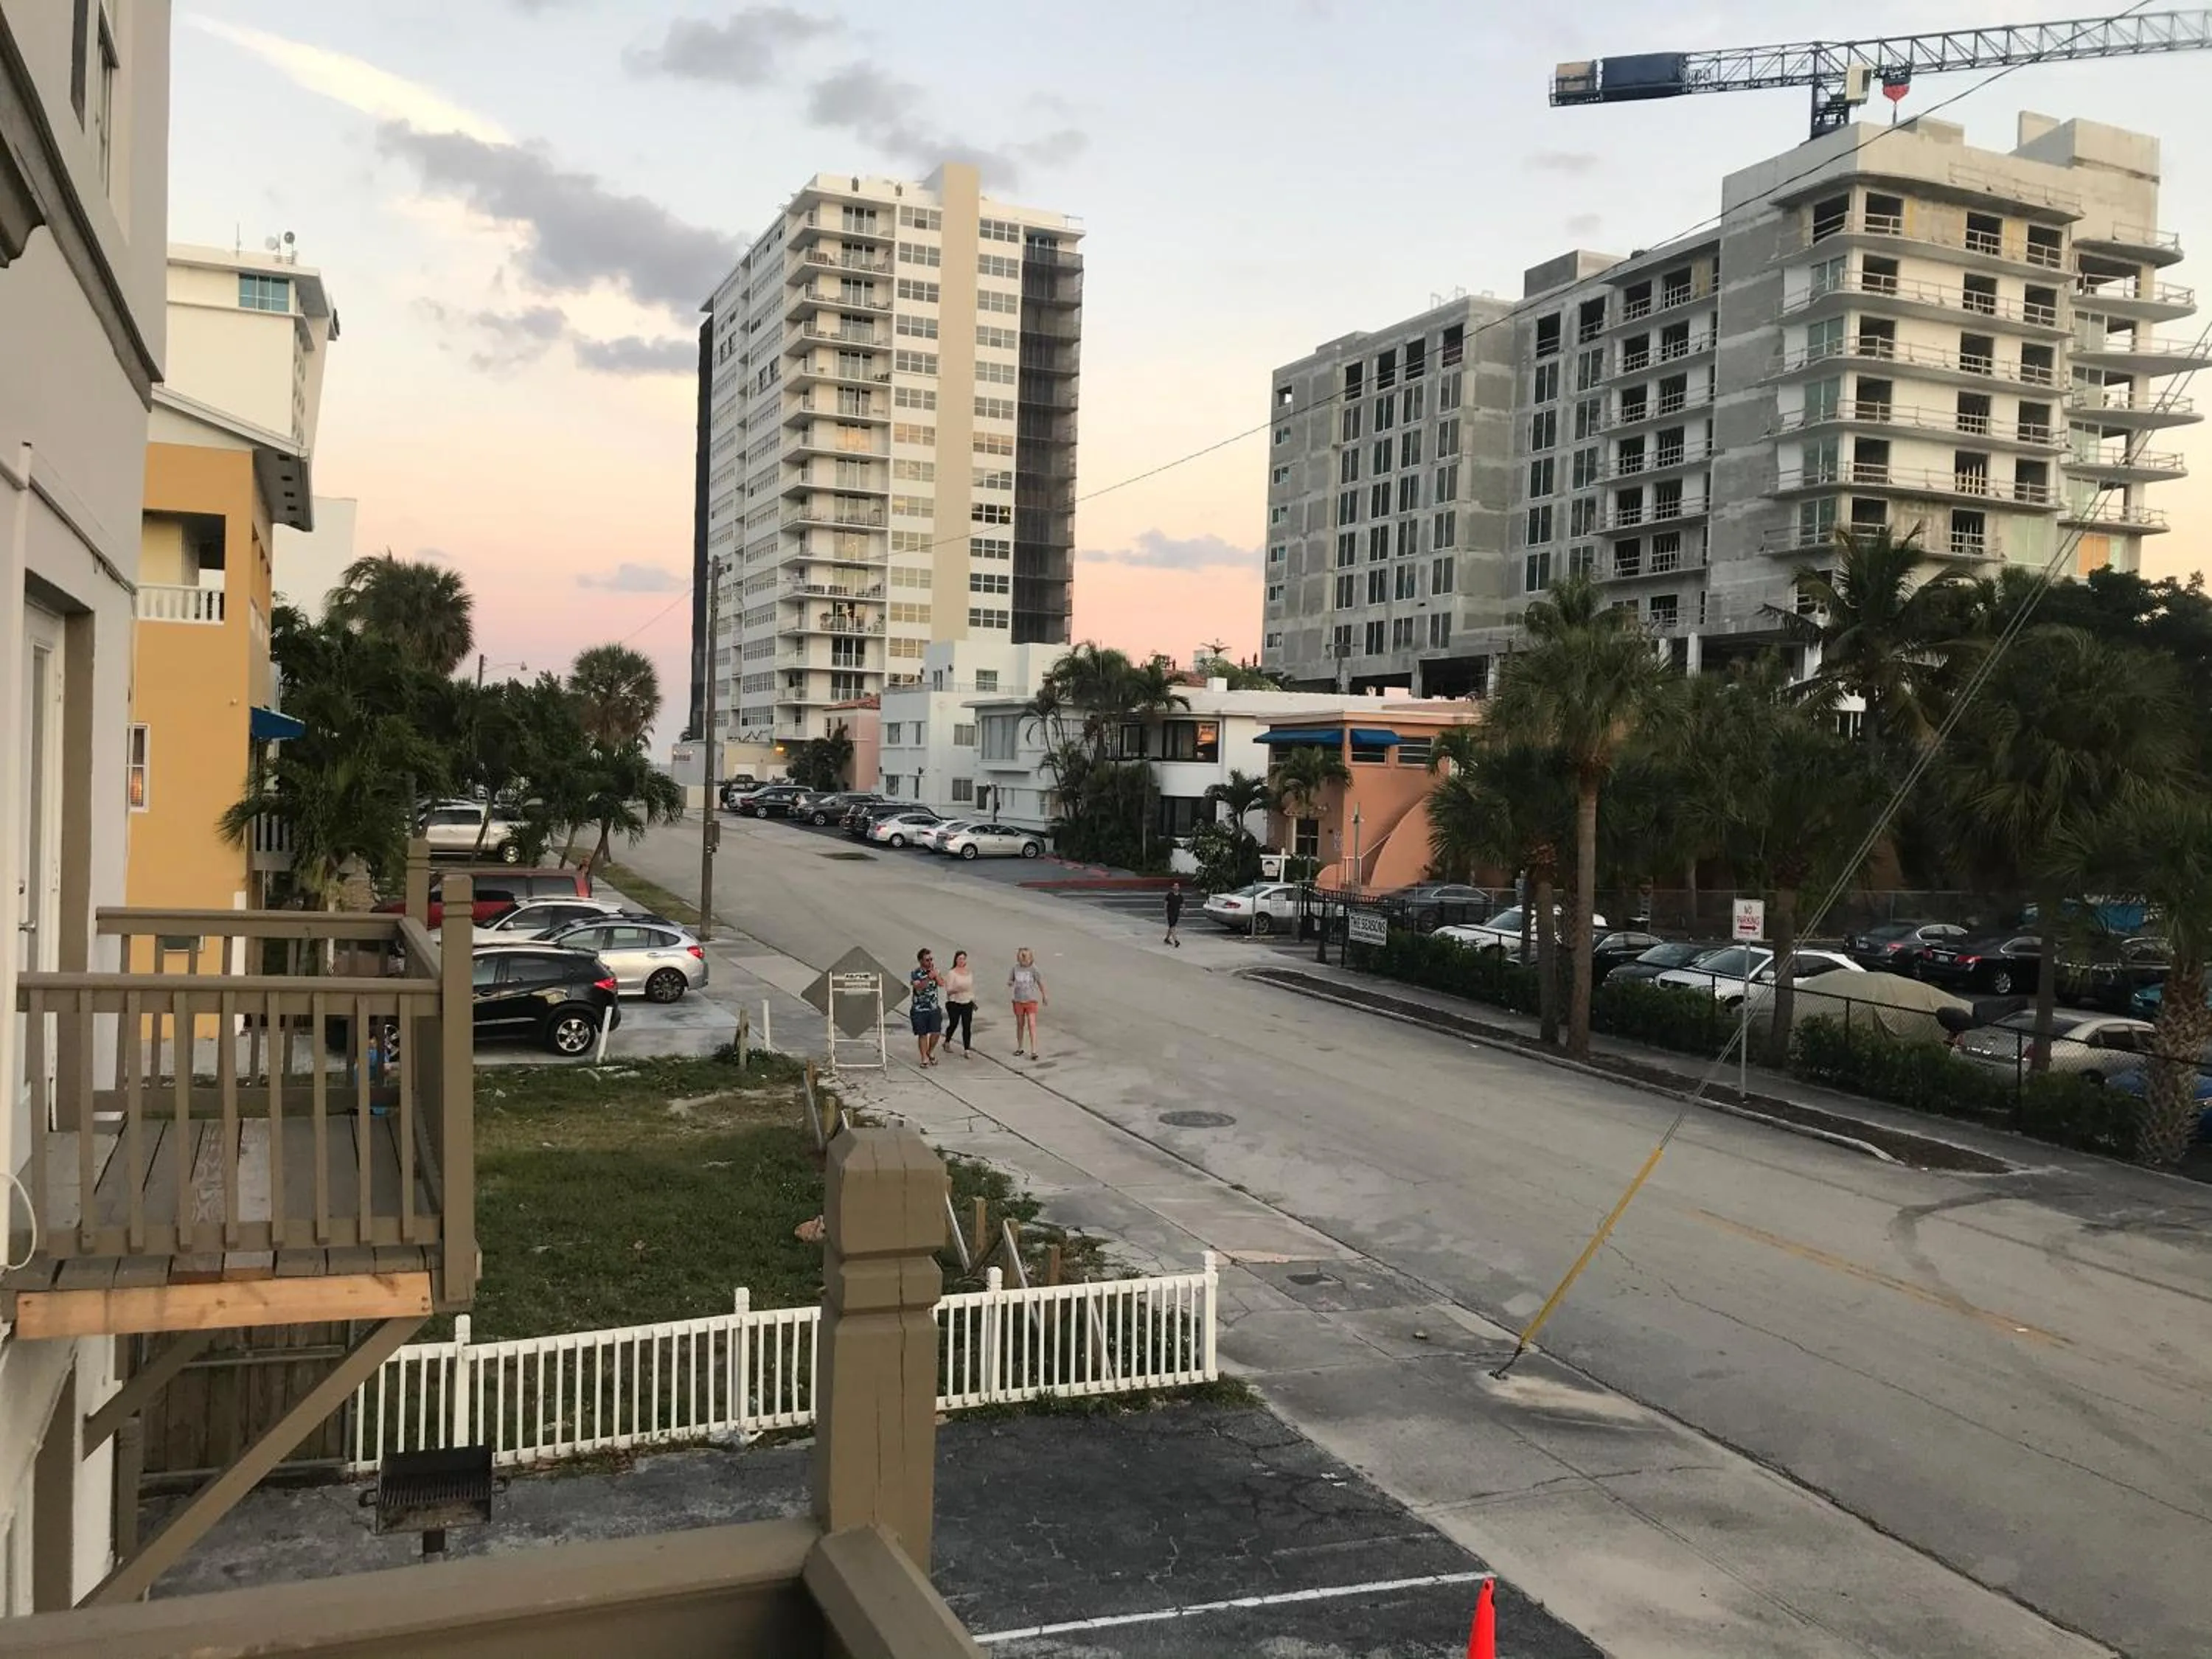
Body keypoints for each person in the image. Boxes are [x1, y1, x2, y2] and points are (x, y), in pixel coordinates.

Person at [1007, 947, 1048, 1060]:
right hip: (1018, 1000)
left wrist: (1044, 995)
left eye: (1025, 957)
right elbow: (1011, 980)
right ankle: (1020, 1047)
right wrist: (1010, 983)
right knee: (1020, 1024)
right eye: (1021, 957)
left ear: (1030, 958)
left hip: (1031, 1000)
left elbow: (1040, 983)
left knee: (1032, 1024)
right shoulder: (1015, 968)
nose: (1023, 960)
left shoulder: (1034, 969)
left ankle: (1034, 1050)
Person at [909, 947, 944, 1067]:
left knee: (936, 1032)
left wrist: (936, 975)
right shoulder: (916, 973)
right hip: (920, 1009)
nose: (930, 962)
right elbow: (919, 987)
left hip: (933, 1007)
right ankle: (924, 1057)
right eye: (927, 960)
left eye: (931, 959)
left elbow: (941, 984)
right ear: (921, 961)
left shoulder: (935, 971)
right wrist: (929, 977)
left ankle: (931, 1051)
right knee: (922, 1034)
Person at [942, 950, 977, 1057]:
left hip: (967, 1002)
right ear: (956, 960)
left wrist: (973, 1000)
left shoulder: (969, 973)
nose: (962, 961)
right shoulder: (952, 973)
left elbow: (970, 988)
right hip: (955, 1002)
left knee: (967, 1025)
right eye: (960, 959)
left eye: (963, 959)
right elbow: (948, 990)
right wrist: (957, 989)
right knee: (954, 1023)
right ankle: (947, 1041)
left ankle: (967, 1049)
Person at [1164, 881, 1184, 947]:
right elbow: (1166, 903)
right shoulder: (1169, 895)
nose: (1176, 887)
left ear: (1179, 888)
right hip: (1170, 913)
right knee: (1173, 927)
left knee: (1171, 927)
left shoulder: (1180, 896)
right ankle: (1176, 941)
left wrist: (1184, 910)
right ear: (1173, 887)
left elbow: (1182, 904)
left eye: (1177, 886)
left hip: (1176, 913)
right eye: (1175, 886)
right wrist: (1165, 912)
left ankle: (1167, 939)